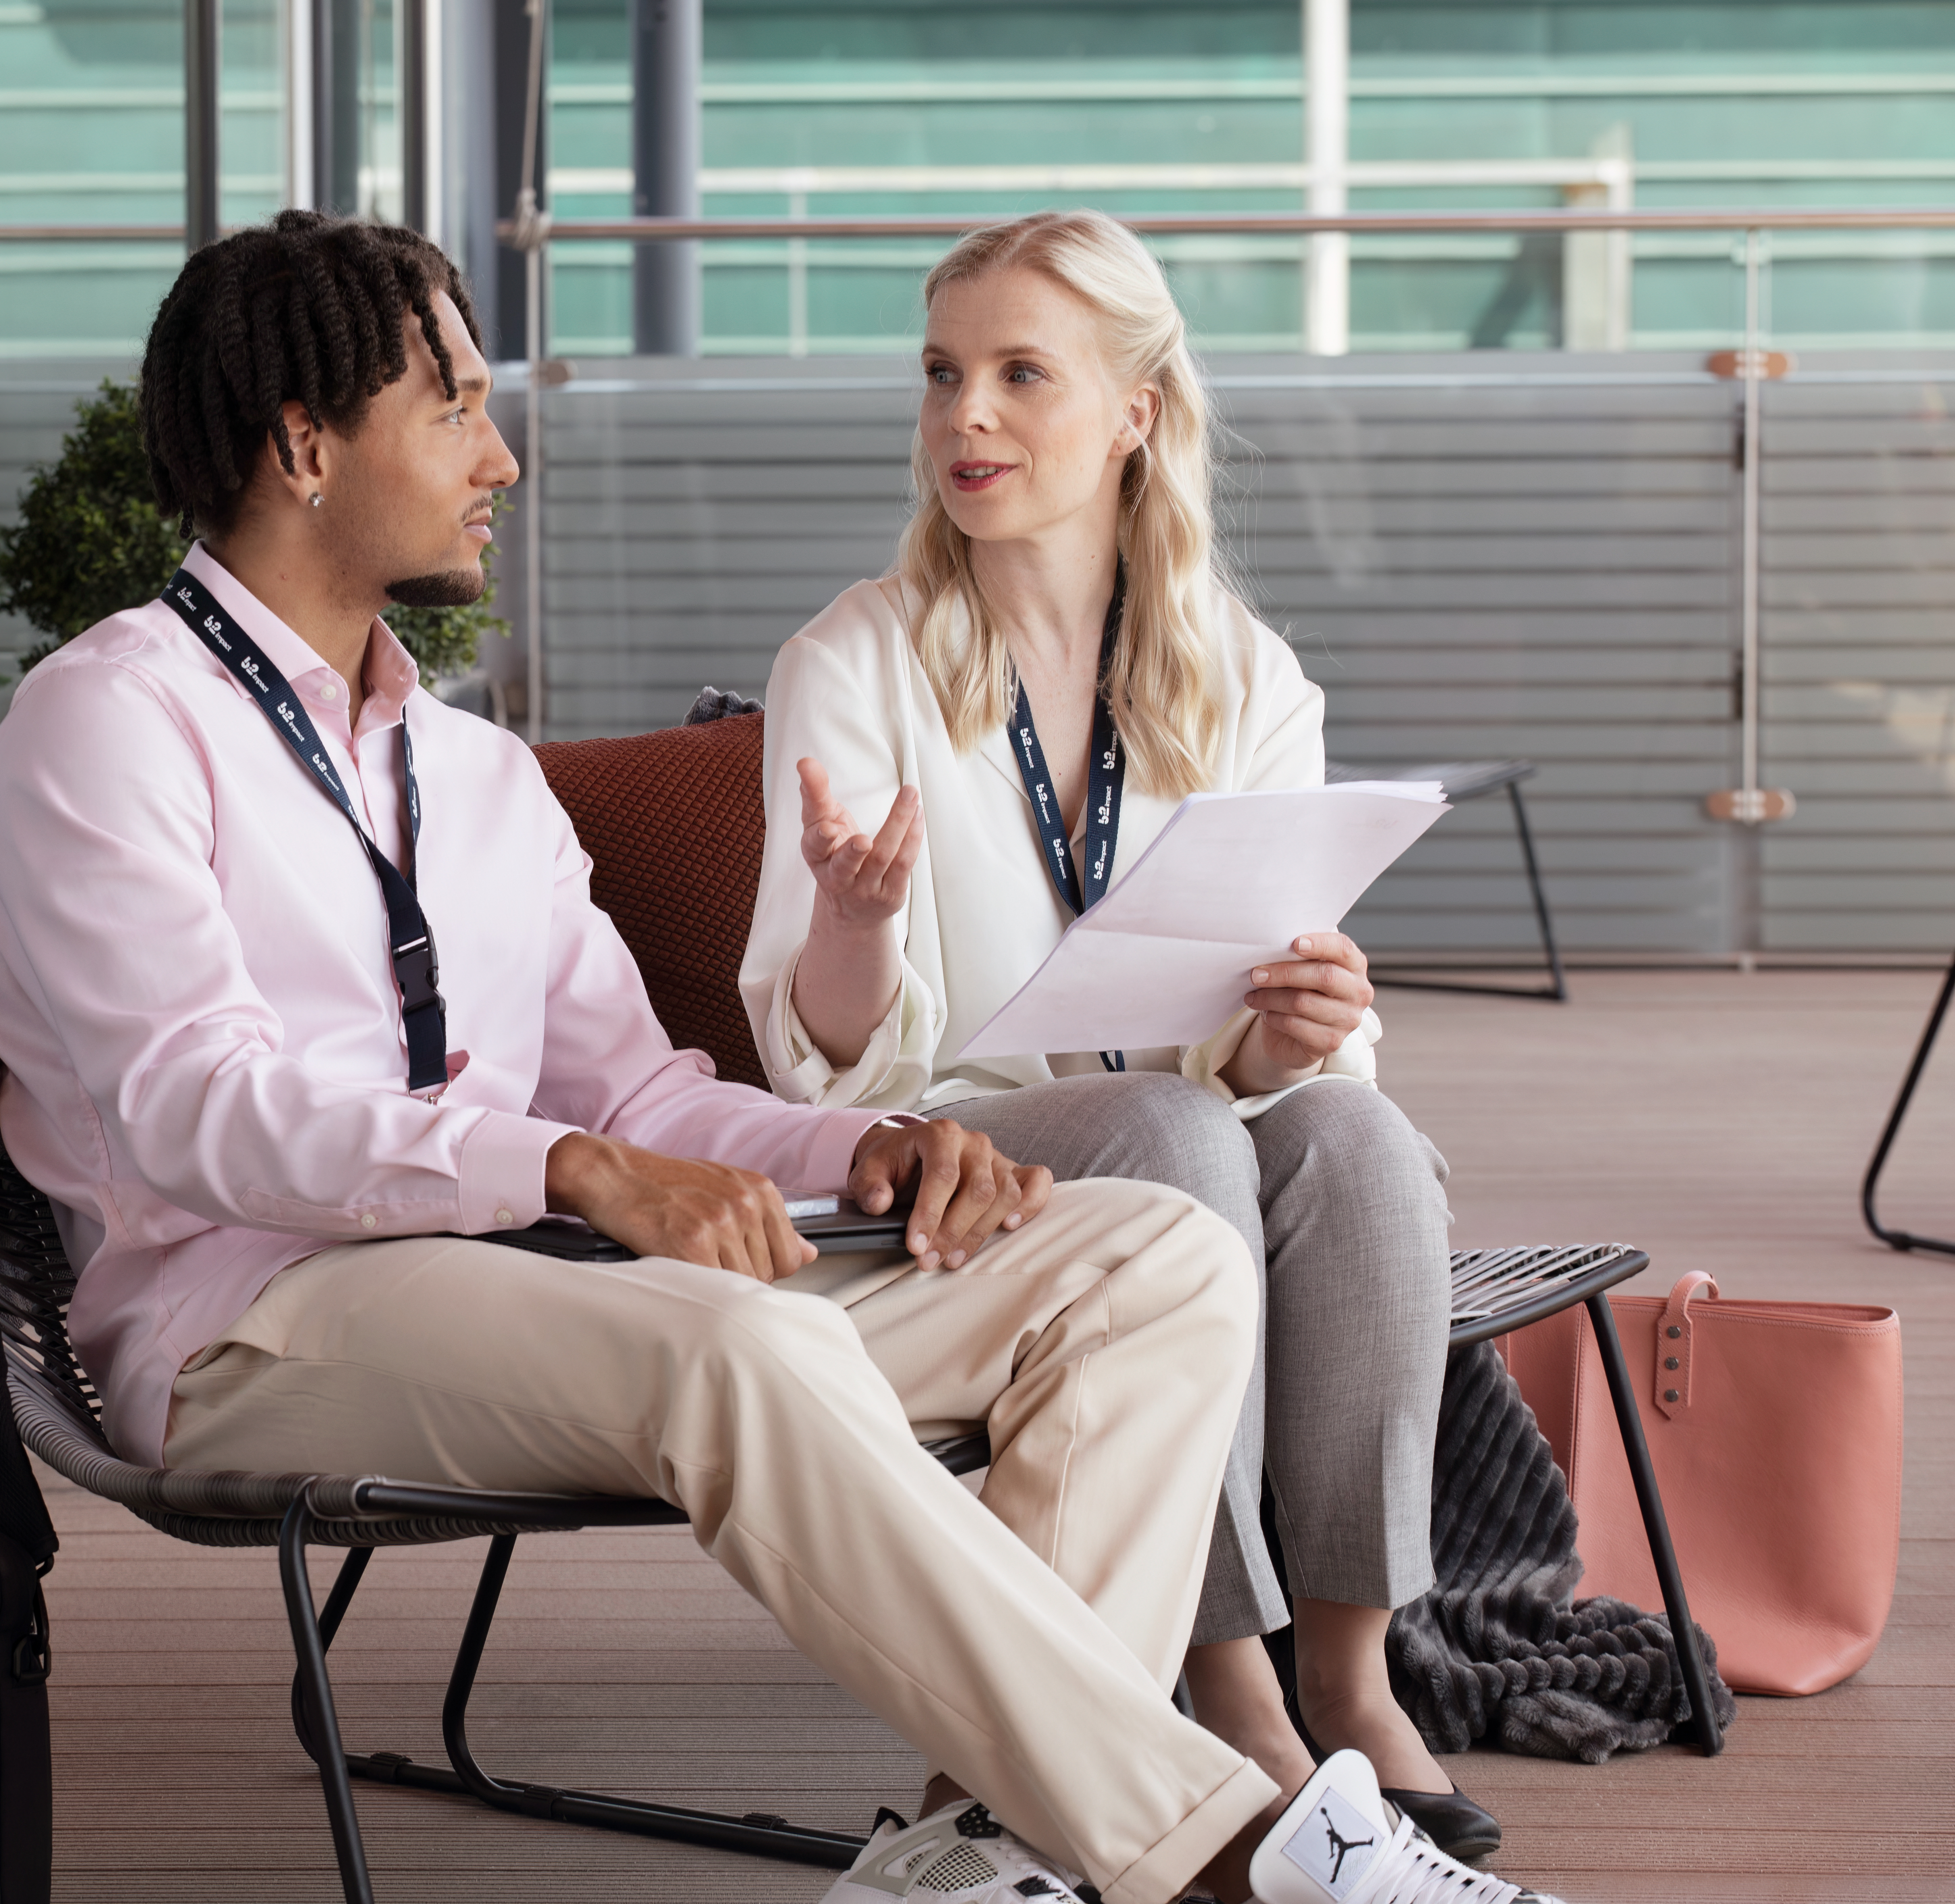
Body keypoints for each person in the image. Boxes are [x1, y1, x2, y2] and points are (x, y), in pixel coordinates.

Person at [0, 209, 1556, 1904]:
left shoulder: (475, 773)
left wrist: (846, 1154)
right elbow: (191, 1111)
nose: (501, 457)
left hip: (548, 1287)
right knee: (742, 1345)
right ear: (304, 445)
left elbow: (642, 1092)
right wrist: (569, 1169)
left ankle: (981, 1856)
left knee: (1151, 1256)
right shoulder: (109, 721)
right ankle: (1241, 1848)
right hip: (259, 1319)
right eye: (457, 411)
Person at [741, 210, 1490, 1862]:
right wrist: (854, 928)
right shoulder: (854, 662)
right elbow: (832, 1072)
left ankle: (1356, 1679)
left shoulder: (1240, 671)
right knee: (1169, 1143)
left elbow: (1291, 1068)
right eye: (943, 376)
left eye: (1020, 375)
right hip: (949, 1164)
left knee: (1351, 1141)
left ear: (1137, 409)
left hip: (1189, 1119)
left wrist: (1301, 1030)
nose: (966, 420)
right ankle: (1226, 1681)